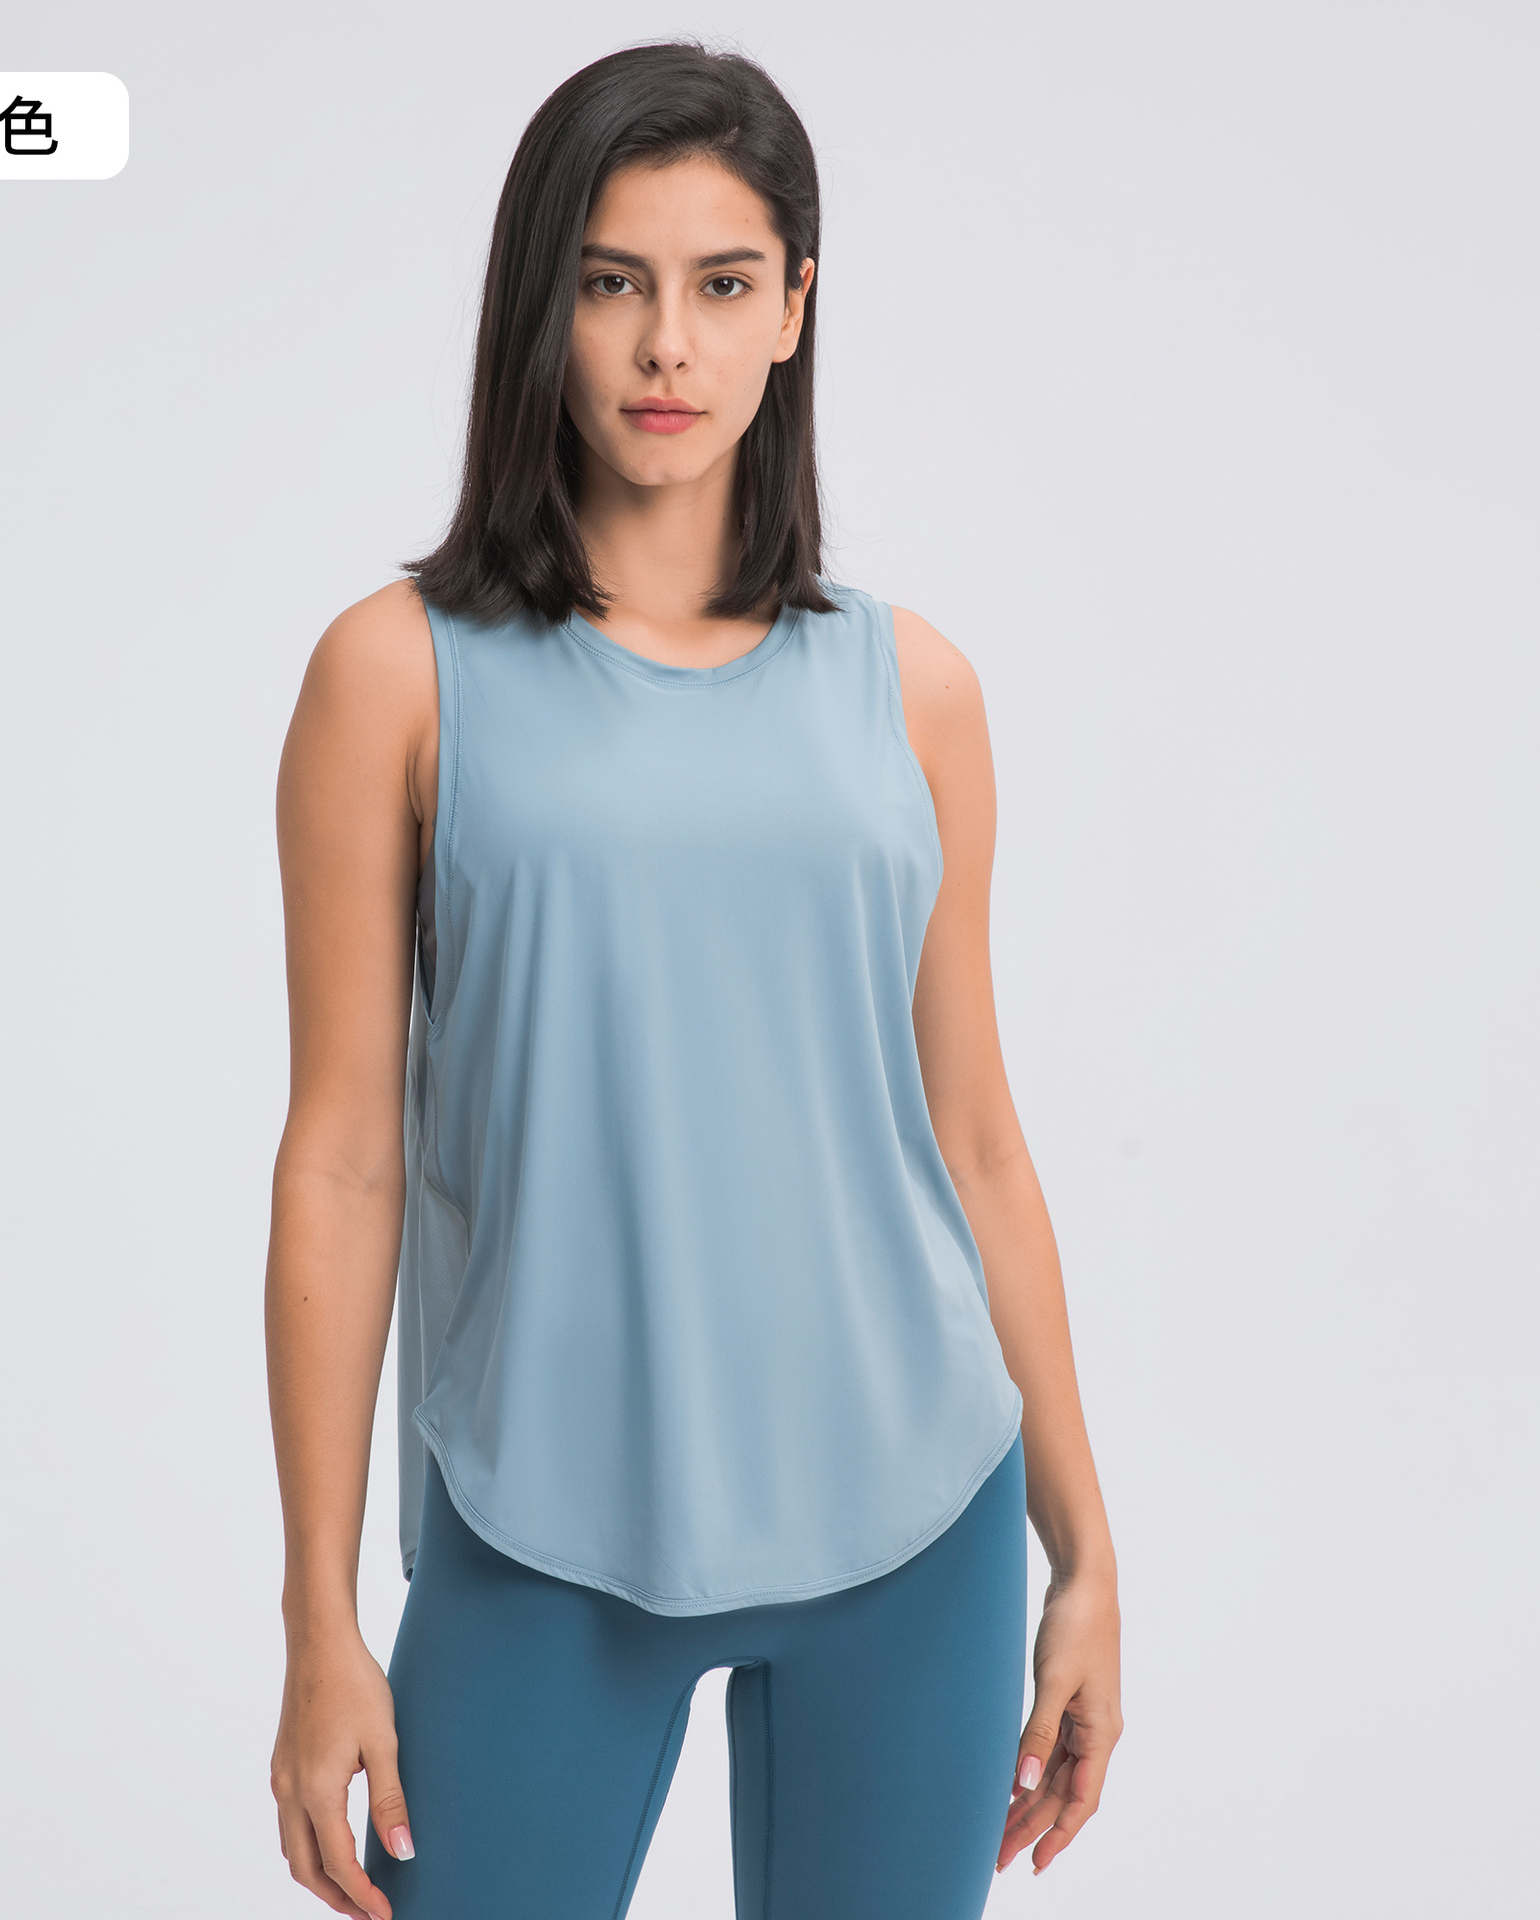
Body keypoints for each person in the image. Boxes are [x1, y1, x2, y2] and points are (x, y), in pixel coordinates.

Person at [264, 40, 1121, 1920]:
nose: (669, 345)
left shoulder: (915, 693)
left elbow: (975, 1139)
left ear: (795, 307)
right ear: (541, 304)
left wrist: (1085, 1552)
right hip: (545, 1524)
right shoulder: (396, 676)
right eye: (612, 282)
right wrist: (320, 1614)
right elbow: (340, 1157)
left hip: (919, 1522)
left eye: (724, 284)